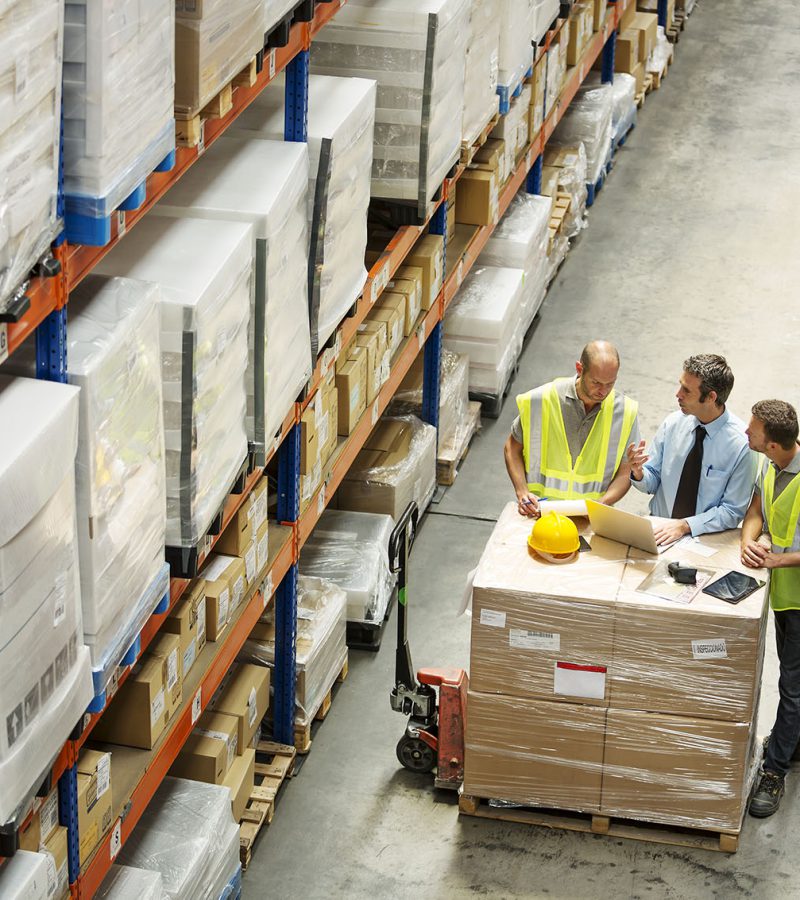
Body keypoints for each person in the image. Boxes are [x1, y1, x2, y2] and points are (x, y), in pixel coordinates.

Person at [741, 400, 800, 817]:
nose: (748, 433)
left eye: (754, 430)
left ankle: (776, 770)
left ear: (775, 444)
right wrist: (749, 539)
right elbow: (757, 509)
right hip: (781, 593)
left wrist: (774, 559)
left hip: (798, 599)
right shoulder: (769, 465)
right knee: (790, 679)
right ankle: (792, 745)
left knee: (792, 689)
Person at [626, 354, 755, 545]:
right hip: (659, 531)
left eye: (686, 390)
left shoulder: (741, 446)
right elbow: (652, 481)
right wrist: (639, 473)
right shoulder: (673, 424)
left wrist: (685, 525)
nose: (678, 394)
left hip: (702, 541)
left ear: (711, 397)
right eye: (680, 385)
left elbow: (732, 511)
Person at [505, 340, 640, 517]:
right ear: (579, 368)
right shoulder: (541, 401)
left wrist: (603, 503)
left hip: (591, 521)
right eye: (596, 382)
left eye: (610, 384)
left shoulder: (625, 412)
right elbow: (511, 448)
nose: (603, 391)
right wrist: (522, 492)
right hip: (540, 515)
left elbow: (626, 470)